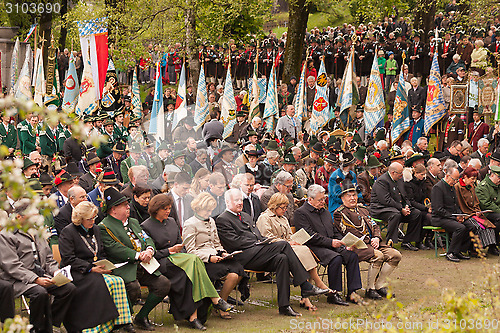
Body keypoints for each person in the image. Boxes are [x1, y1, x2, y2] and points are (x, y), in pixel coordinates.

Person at [216, 189, 329, 316]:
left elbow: (257, 235)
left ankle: (284, 306)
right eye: (236, 200)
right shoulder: (222, 219)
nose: (240, 203)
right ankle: (305, 285)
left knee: (282, 259)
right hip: (242, 257)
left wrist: (263, 241)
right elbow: (234, 243)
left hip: (258, 252)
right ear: (227, 202)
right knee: (283, 244)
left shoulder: (246, 216)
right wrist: (258, 242)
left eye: (241, 200)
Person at [141, 194, 233, 329]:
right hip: (161, 263)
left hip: (180, 261)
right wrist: (169, 251)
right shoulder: (145, 226)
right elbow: (151, 254)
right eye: (165, 209)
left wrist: (177, 248)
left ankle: (193, 317)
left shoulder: (172, 221)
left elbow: (180, 243)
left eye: (169, 208)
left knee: (191, 274)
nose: (168, 211)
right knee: (194, 260)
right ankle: (216, 299)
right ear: (156, 210)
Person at [99, 187, 171, 331]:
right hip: (123, 267)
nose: (128, 207)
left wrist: (150, 250)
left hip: (143, 265)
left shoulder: (132, 221)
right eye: (124, 205)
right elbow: (114, 249)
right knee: (133, 288)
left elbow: (147, 238)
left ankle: (141, 316)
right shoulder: (104, 227)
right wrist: (138, 255)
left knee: (163, 283)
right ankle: (124, 320)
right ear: (113, 209)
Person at [0, 199, 77, 333]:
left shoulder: (37, 232)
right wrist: (35, 279)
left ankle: (51, 323)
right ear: (19, 217)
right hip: (18, 279)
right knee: (39, 293)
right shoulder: (6, 235)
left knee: (68, 288)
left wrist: (56, 272)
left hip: (40, 275)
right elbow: (12, 266)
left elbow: (48, 258)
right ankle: (35, 328)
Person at [58, 201, 134, 333]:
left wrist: (104, 264)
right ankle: (95, 325)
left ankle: (117, 321)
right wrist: (90, 268)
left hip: (94, 267)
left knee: (117, 281)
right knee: (100, 282)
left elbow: (101, 252)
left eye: (94, 217)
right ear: (80, 219)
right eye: (89, 219)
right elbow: (68, 258)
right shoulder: (68, 232)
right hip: (76, 271)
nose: (93, 221)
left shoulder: (96, 229)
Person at [257, 193, 331, 310]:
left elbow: (290, 236)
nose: (285, 210)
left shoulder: (284, 218)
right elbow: (266, 238)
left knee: (304, 250)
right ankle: (315, 286)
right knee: (302, 253)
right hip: (273, 250)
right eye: (282, 207)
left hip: (288, 247)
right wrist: (287, 242)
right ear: (274, 206)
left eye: (286, 207)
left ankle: (307, 295)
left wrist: (295, 241)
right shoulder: (264, 217)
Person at [294, 185, 363, 305]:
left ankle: (352, 292)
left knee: (351, 256)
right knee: (336, 259)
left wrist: (345, 243)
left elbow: (334, 230)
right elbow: (310, 235)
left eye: (323, 199)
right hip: (313, 247)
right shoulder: (301, 213)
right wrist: (331, 242)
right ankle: (333, 294)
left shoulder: (325, 212)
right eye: (320, 200)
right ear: (310, 199)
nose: (323, 202)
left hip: (331, 244)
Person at [183, 193, 248, 319]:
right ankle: (220, 303)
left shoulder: (211, 221)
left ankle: (220, 302)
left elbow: (216, 243)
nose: (209, 212)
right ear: (198, 208)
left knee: (239, 270)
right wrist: (208, 258)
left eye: (211, 210)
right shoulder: (190, 223)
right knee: (233, 275)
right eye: (207, 210)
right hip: (201, 262)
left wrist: (223, 253)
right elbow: (190, 250)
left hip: (215, 257)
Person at [333, 179, 402, 300]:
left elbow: (374, 225)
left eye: (354, 195)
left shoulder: (363, 209)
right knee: (378, 255)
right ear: (343, 199)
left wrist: (376, 237)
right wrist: (369, 240)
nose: (352, 198)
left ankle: (379, 285)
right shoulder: (340, 213)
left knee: (396, 255)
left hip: (373, 243)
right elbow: (349, 232)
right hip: (356, 246)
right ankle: (370, 289)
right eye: (348, 196)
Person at [370, 162, 424, 249]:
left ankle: (407, 241)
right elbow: (386, 200)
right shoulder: (382, 181)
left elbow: (404, 196)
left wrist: (406, 206)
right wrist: (401, 208)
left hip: (396, 207)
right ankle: (390, 242)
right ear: (393, 172)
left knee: (416, 213)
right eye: (400, 173)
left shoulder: (399, 179)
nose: (402, 175)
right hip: (380, 209)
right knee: (395, 215)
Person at [431, 165, 475, 262]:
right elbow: (438, 209)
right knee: (460, 228)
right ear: (447, 176)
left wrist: (460, 215)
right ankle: (450, 252)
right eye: (454, 179)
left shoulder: (452, 187)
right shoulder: (438, 188)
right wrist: (454, 218)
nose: (455, 182)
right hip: (439, 218)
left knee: (471, 226)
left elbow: (456, 205)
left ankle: (459, 250)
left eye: (456, 180)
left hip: (451, 217)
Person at [455, 167, 498, 255]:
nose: (474, 181)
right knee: (476, 226)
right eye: (472, 179)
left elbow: (476, 202)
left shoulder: (472, 187)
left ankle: (484, 247)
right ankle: (472, 249)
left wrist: (478, 211)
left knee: (488, 226)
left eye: (475, 179)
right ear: (465, 177)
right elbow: (458, 203)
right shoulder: (457, 187)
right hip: (465, 214)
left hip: (474, 213)